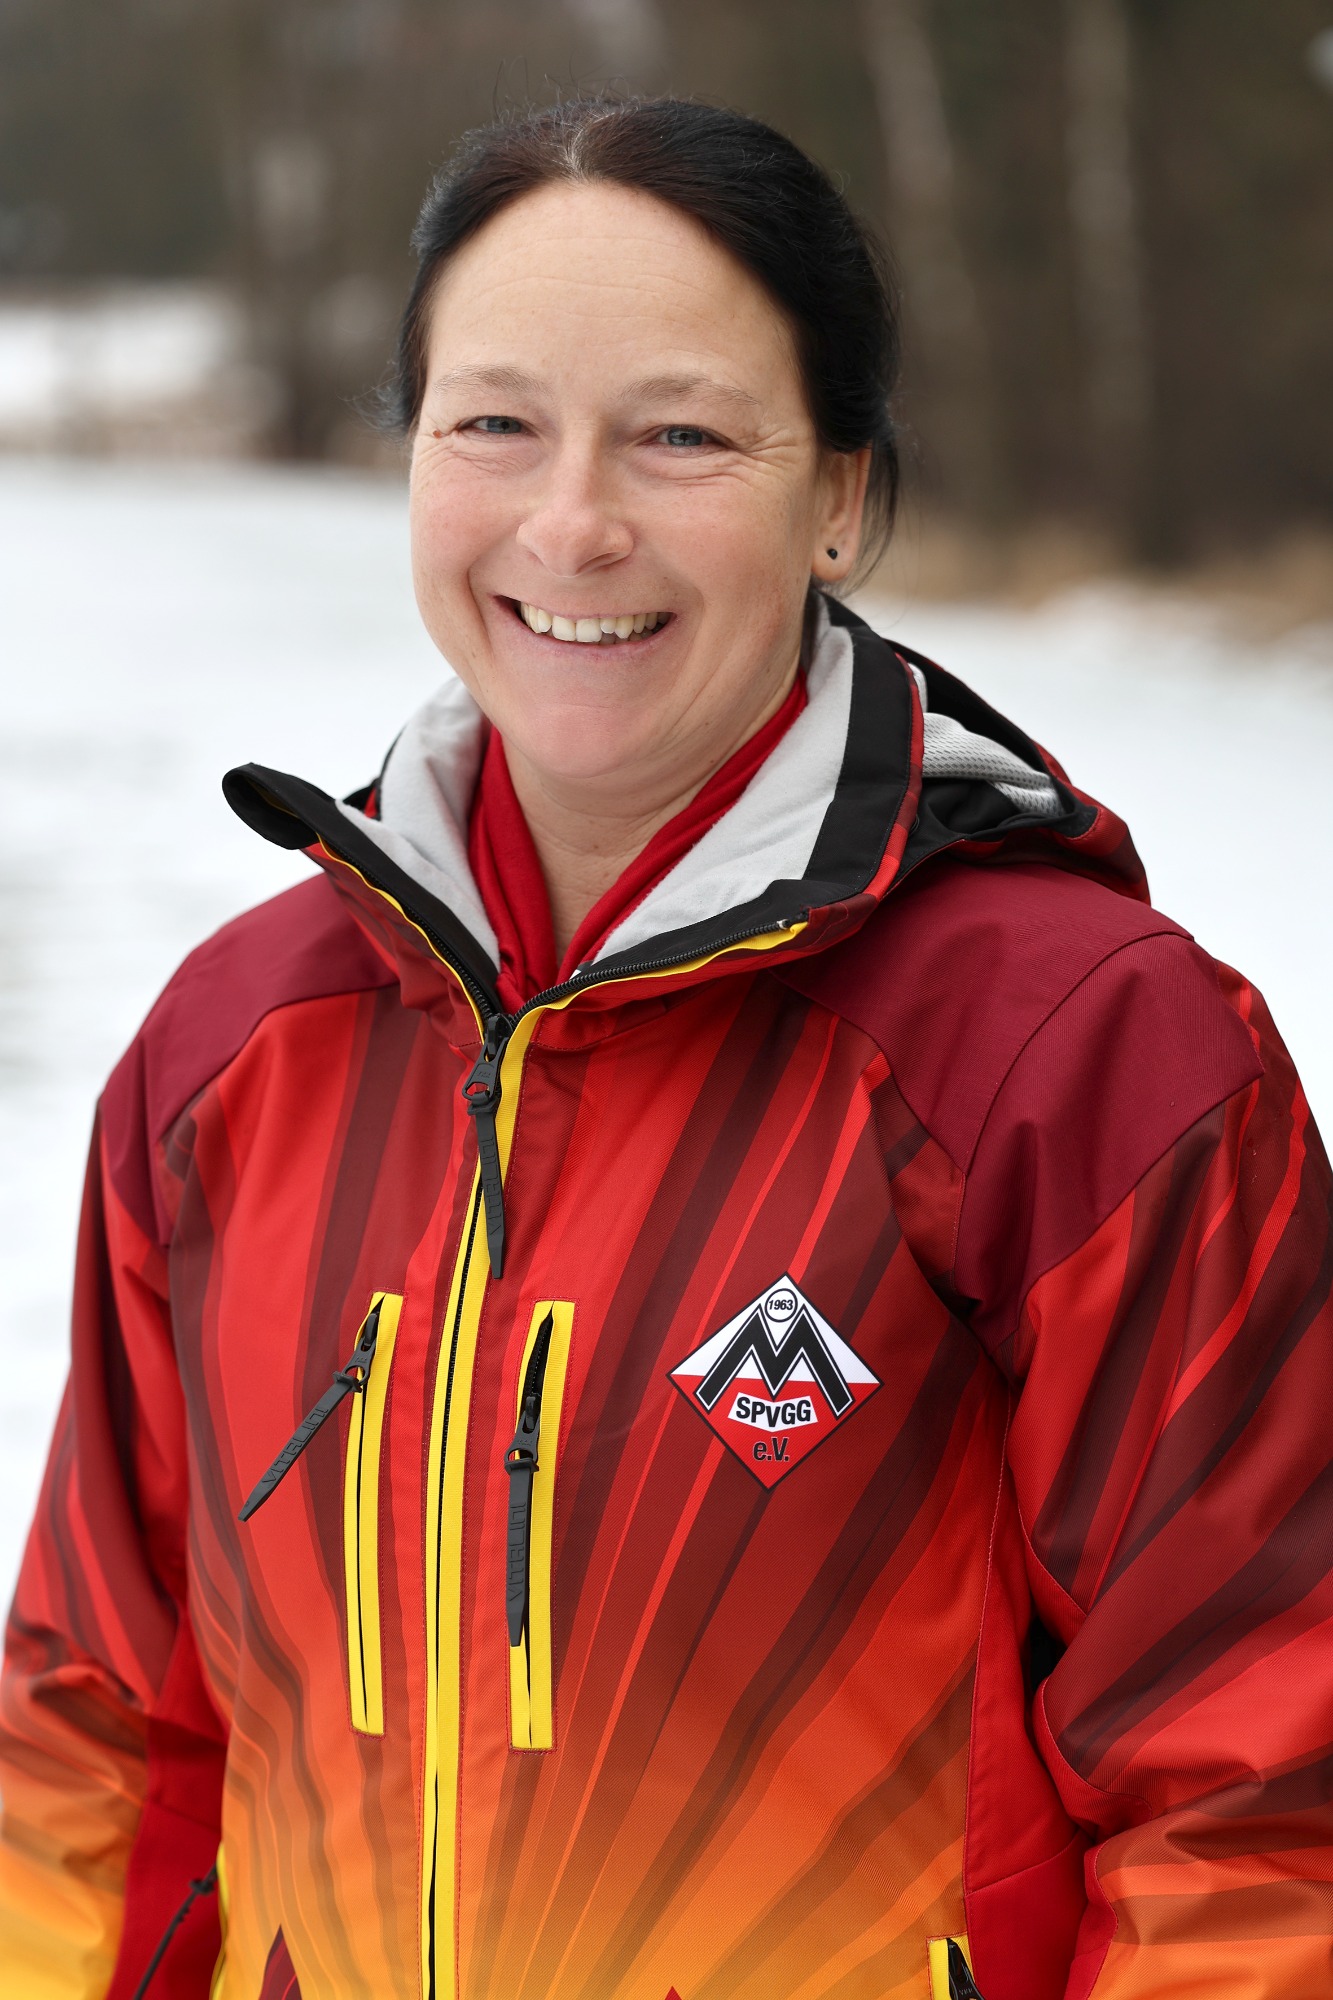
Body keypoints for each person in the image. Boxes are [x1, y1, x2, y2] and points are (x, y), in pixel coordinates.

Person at [1, 95, 1330, 2000]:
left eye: (681, 434)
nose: (571, 525)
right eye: (493, 425)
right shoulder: (237, 1047)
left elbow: (1262, 1805)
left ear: (839, 493)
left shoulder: (1080, 1055)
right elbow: (93, 1740)